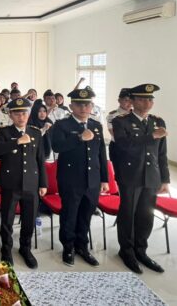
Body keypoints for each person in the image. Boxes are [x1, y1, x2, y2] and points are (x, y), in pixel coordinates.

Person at [112, 84, 169, 274]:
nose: (148, 103)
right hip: (130, 175)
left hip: (152, 176)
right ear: (133, 101)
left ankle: (141, 250)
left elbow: (162, 154)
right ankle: (126, 251)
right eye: (143, 99)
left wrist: (165, 179)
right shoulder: (121, 121)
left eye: (150, 99)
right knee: (128, 214)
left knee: (146, 215)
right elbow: (123, 145)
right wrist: (151, 136)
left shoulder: (157, 121)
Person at [51, 88, 109, 267]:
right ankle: (68, 247)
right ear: (71, 106)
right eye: (79, 104)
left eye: (87, 104)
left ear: (92, 106)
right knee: (69, 215)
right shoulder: (62, 125)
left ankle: (82, 246)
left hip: (92, 179)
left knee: (86, 214)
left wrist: (104, 179)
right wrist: (79, 138)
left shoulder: (96, 125)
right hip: (71, 179)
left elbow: (101, 153)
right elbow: (57, 146)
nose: (83, 108)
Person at [0, 98, 47, 268]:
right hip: (11, 183)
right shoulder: (5, 132)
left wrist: (43, 184)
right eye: (17, 114)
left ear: (28, 114)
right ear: (11, 115)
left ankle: (25, 248)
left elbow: (40, 160)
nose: (21, 117)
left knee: (29, 219)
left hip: (32, 183)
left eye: (24, 113)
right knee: (7, 219)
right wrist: (16, 141)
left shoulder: (35, 133)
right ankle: (6, 250)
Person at [106, 88, 132, 166]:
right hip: (118, 147)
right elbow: (113, 132)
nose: (129, 103)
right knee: (118, 170)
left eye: (131, 100)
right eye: (126, 100)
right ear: (119, 100)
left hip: (133, 147)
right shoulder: (112, 115)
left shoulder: (135, 115)